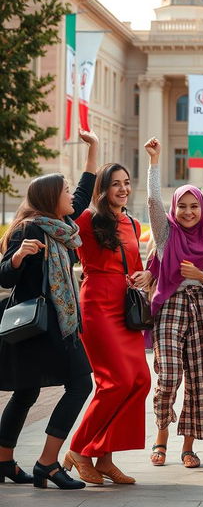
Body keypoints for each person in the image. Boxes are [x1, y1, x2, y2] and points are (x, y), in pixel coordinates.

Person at [0, 131, 98, 490]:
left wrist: (94, 151)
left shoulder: (63, 228)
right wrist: (18, 256)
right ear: (50, 198)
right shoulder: (29, 229)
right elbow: (4, 276)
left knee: (26, 392)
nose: (72, 196)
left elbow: (86, 193)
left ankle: (4, 462)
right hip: (38, 326)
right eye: (66, 192)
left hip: (57, 324)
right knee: (79, 384)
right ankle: (47, 464)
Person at [63, 162, 153, 485]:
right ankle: (78, 449)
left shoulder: (132, 221)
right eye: (115, 183)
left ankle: (104, 455)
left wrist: (146, 276)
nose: (123, 189)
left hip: (124, 306)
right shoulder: (88, 220)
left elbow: (138, 266)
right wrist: (91, 154)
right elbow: (68, 217)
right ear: (102, 188)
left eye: (127, 183)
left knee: (140, 379)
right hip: (97, 305)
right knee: (114, 382)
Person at [144, 137, 203, 468]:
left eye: (195, 206)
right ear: (174, 208)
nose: (189, 212)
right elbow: (152, 200)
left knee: (200, 376)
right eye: (183, 206)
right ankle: (161, 434)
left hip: (202, 308)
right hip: (171, 306)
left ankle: (188, 446)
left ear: (202, 209)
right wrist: (155, 160)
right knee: (168, 375)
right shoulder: (166, 234)